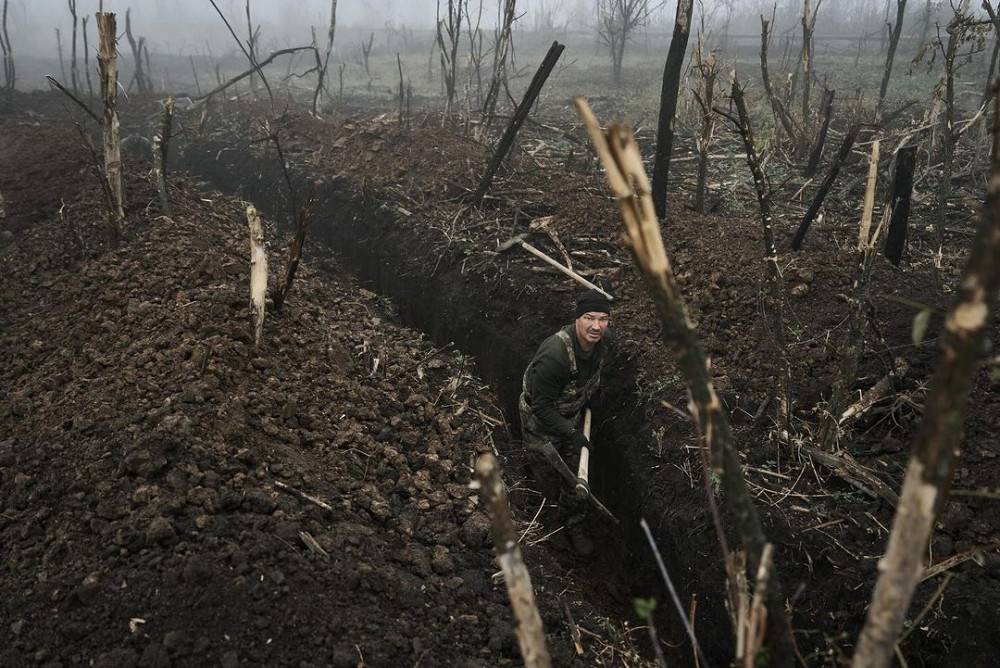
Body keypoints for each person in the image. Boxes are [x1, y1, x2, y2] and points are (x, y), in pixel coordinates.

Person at [519, 289, 611, 556]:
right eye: (589, 317)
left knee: (574, 479)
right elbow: (542, 407)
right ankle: (551, 527)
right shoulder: (555, 356)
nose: (596, 326)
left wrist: (589, 400)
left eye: (603, 319)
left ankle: (574, 523)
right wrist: (572, 433)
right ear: (576, 319)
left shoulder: (601, 344)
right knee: (547, 479)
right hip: (540, 422)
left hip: (572, 414)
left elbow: (592, 377)